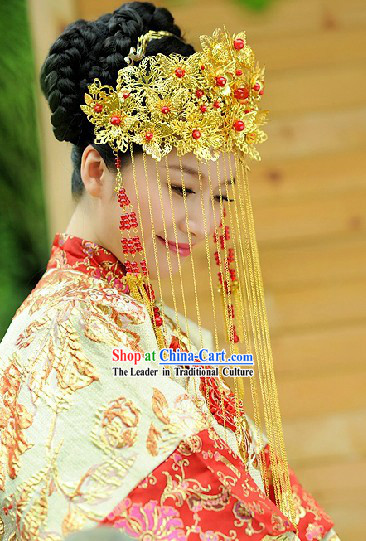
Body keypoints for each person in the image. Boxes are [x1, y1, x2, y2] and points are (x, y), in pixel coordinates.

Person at [0, 3, 341, 540]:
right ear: (97, 170)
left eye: (220, 197)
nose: (203, 222)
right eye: (182, 188)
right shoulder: (58, 333)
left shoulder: (126, 317)